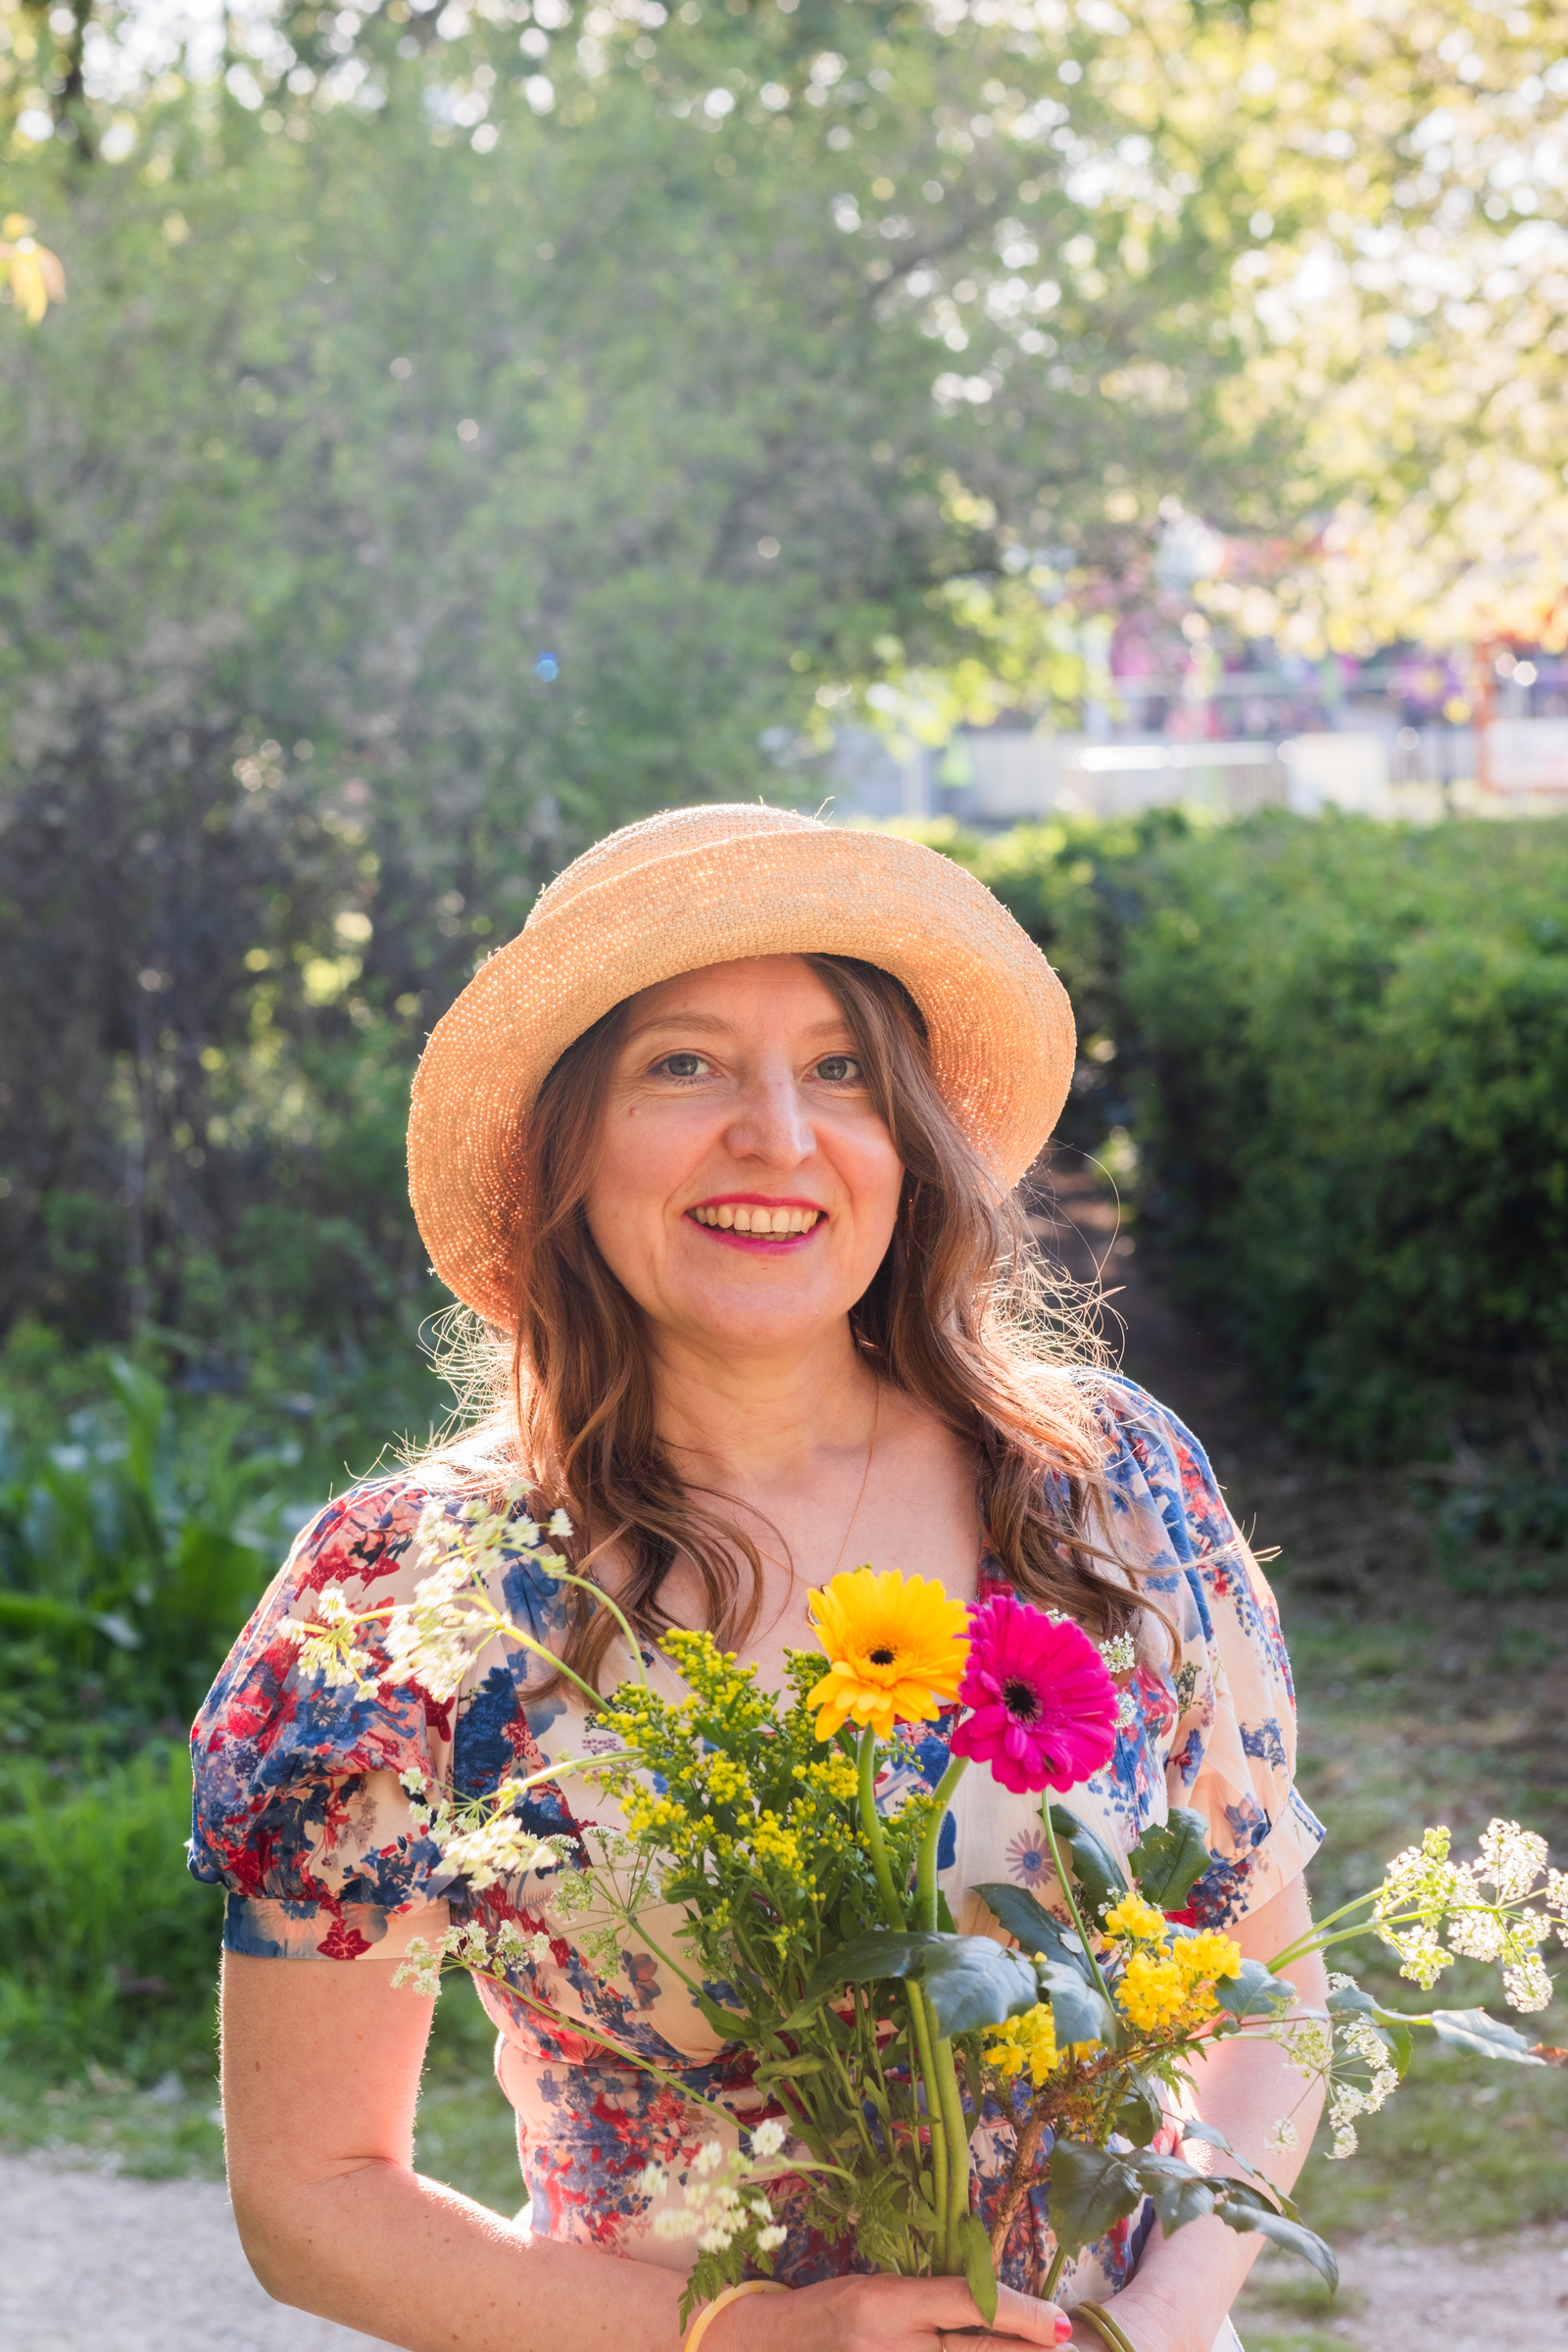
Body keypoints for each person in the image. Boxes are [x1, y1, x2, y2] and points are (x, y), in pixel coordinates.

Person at [191, 805, 1328, 2352]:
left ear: (908, 1138)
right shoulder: (414, 1595)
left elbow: (1273, 1990)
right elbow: (312, 2199)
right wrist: (761, 2340)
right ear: (563, 1145)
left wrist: (1161, 2318)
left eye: (843, 1069)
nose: (780, 1136)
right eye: (685, 1065)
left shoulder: (1105, 1487)